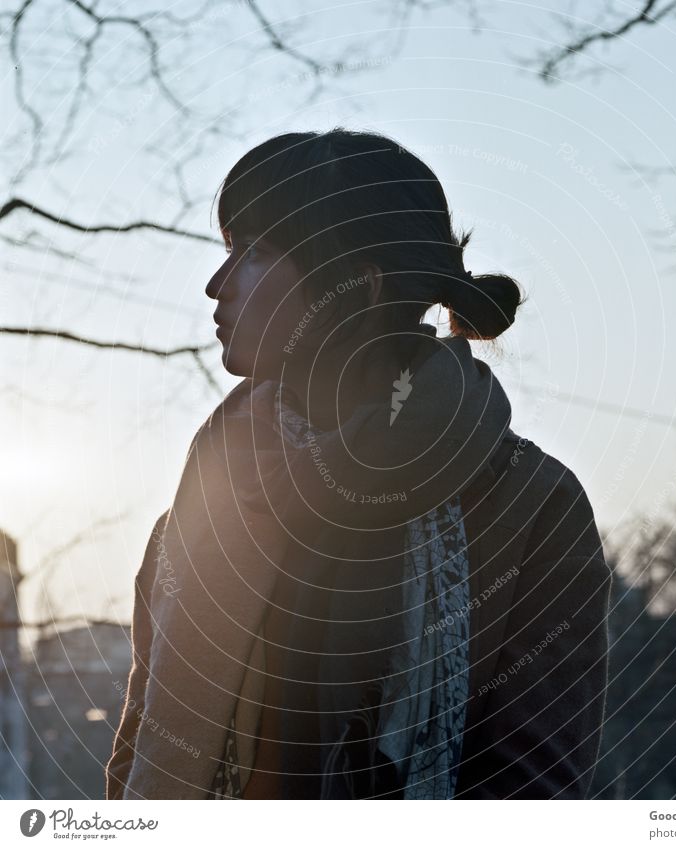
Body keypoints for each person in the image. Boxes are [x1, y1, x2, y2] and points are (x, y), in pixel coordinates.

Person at [105, 127, 612, 800]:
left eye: (253, 252)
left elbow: (532, 793)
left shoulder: (529, 504)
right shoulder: (212, 492)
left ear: (353, 285)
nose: (215, 284)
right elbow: (139, 752)